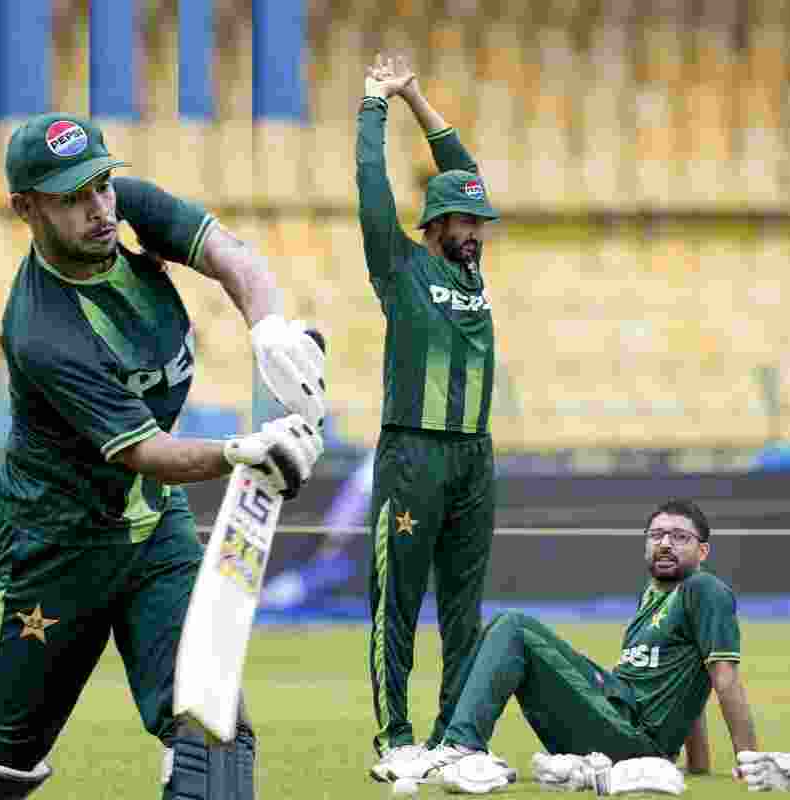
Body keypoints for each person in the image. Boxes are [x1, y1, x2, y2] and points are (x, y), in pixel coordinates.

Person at [0, 113, 325, 799]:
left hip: (152, 533)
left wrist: (269, 330)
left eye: (102, 185)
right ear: (26, 209)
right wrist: (242, 451)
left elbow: (234, 257)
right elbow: (148, 453)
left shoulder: (124, 209)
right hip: (56, 549)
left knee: (212, 723)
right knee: (1, 766)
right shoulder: (42, 330)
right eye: (72, 198)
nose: (99, 208)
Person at [377, 499, 790, 795]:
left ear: (703, 551)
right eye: (656, 535)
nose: (665, 543)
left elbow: (722, 678)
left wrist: (749, 760)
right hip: (617, 721)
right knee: (503, 627)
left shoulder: (704, 589)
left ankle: (459, 746)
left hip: (631, 733)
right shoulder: (652, 597)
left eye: (679, 536)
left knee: (514, 627)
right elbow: (686, 687)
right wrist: (698, 764)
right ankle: (449, 746)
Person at [353, 53, 505, 781]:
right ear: (436, 223)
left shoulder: (472, 269)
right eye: (465, 220)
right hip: (414, 454)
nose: (476, 230)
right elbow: (372, 190)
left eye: (480, 220)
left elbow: (461, 166)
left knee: (464, 612)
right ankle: (396, 737)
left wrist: (415, 94)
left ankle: (455, 738)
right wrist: (375, 106)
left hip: (475, 456)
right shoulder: (401, 267)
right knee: (398, 604)